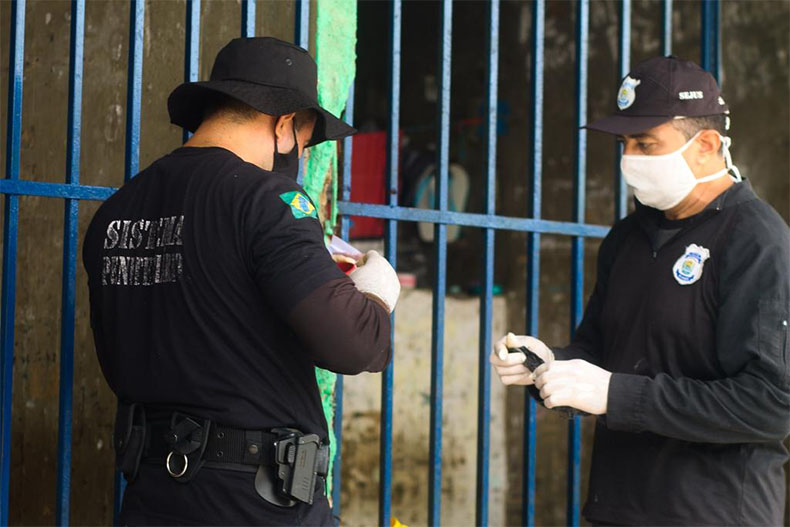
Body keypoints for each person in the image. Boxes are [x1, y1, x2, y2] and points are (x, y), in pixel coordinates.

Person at [82, 37, 400, 526]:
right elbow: (357, 345)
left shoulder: (115, 213)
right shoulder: (268, 201)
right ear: (284, 124)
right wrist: (377, 290)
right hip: (254, 503)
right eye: (306, 140)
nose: (302, 157)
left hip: (153, 496)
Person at [491, 56, 789, 525]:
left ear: (706, 145)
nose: (630, 159)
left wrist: (617, 395)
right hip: (619, 507)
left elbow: (770, 403)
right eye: (625, 144)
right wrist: (550, 367)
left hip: (713, 512)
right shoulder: (628, 238)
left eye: (647, 144)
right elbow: (602, 355)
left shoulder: (755, 240)